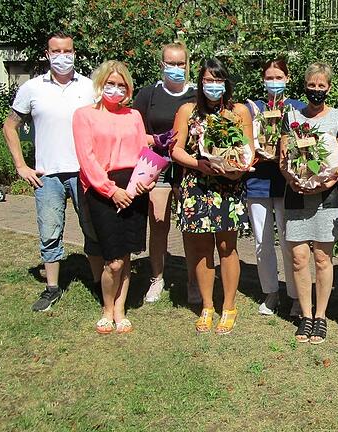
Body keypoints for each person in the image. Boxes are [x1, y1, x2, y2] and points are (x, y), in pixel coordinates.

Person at [2, 31, 103, 312]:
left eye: (67, 51)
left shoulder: (90, 86)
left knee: (92, 229)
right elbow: (9, 126)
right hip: (48, 174)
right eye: (56, 51)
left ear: (74, 53)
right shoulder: (32, 88)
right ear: (47, 54)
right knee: (49, 231)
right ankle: (52, 288)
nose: (62, 56)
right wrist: (21, 166)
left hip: (84, 172)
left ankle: (98, 283)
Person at [171, 58, 255, 335]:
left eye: (218, 80)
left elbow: (248, 148)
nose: (213, 86)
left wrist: (237, 169)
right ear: (200, 83)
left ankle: (228, 306)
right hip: (196, 187)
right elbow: (176, 149)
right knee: (200, 250)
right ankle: (207, 305)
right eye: (208, 80)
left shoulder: (239, 111)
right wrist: (198, 164)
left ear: (226, 83)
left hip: (228, 188)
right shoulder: (187, 110)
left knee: (226, 248)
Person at [72, 60, 153, 334]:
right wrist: (110, 190)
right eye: (111, 83)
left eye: (121, 85)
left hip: (134, 187)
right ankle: (107, 308)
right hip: (102, 189)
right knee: (113, 259)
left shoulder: (134, 116)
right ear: (100, 84)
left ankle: (121, 309)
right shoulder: (84, 115)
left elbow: (144, 153)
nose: (115, 89)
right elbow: (87, 159)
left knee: (127, 254)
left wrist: (146, 182)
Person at [279, 62, 338, 344]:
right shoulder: (292, 116)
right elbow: (283, 158)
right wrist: (292, 179)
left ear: (329, 88)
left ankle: (320, 317)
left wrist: (324, 182)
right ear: (304, 86)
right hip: (295, 194)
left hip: (326, 197)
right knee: (298, 259)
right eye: (312, 85)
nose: (316, 90)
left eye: (322, 86)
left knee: (322, 258)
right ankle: (305, 316)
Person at [133, 41, 198, 304]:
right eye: (170, 63)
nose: (175, 68)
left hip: (187, 168)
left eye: (180, 63)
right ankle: (157, 278)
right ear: (162, 64)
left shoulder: (196, 95)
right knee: (159, 224)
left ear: (187, 65)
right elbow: (133, 130)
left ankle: (193, 281)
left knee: (191, 226)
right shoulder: (148, 95)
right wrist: (154, 139)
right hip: (156, 166)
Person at [244, 58, 306, 317]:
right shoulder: (252, 109)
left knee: (290, 241)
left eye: (279, 77)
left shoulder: (298, 109)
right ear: (262, 80)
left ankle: (295, 295)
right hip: (258, 181)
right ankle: (271, 292)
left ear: (288, 79)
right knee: (262, 241)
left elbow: (307, 145)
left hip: (286, 182)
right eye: (269, 77)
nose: (274, 82)